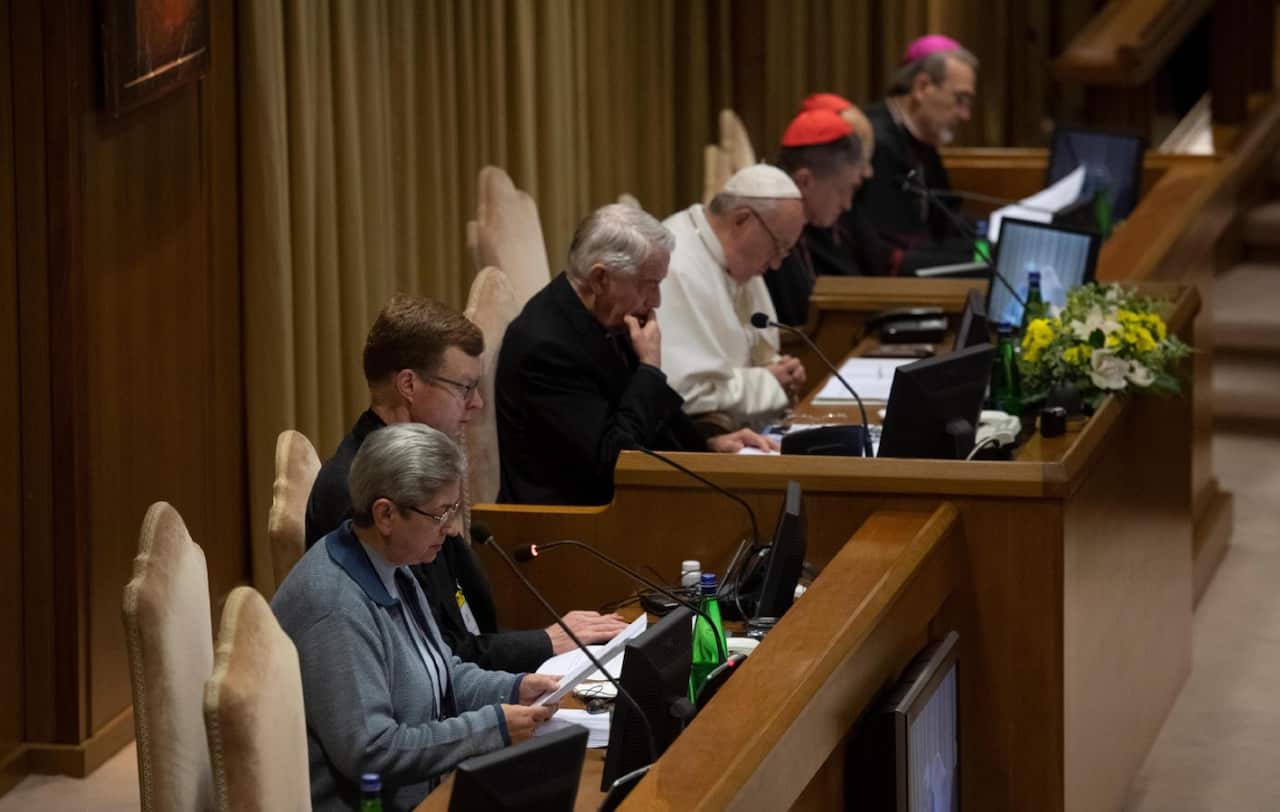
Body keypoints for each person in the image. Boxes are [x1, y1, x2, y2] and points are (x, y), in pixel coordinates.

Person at [306, 295, 627, 673]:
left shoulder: (422, 471)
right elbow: (429, 656)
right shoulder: (363, 494)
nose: (476, 405)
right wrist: (544, 643)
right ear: (409, 384)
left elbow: (463, 627)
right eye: (464, 387)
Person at [273, 423, 560, 811]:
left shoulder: (392, 564)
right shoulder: (334, 606)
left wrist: (514, 688)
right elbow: (370, 751)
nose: (452, 528)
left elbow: (442, 672)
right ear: (386, 514)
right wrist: (491, 728)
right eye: (441, 513)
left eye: (453, 510)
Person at [496, 204, 774, 506]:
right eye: (649, 285)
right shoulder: (547, 348)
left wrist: (707, 446)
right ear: (601, 279)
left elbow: (645, 427)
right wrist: (650, 371)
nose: (655, 301)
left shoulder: (604, 316)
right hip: (569, 526)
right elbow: (615, 461)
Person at [658, 164, 808, 428]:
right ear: (742, 220)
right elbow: (685, 393)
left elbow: (754, 351)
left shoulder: (740, 263)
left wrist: (781, 370)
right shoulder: (675, 264)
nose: (775, 264)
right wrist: (769, 382)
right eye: (778, 246)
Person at [857, 35, 980, 272]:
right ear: (922, 87)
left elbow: (948, 218)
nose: (965, 115)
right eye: (960, 100)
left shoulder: (922, 142)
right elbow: (897, 248)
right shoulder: (876, 143)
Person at [764, 107, 869, 326]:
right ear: (804, 181)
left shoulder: (805, 229)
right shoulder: (768, 236)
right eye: (843, 190)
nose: (847, 204)